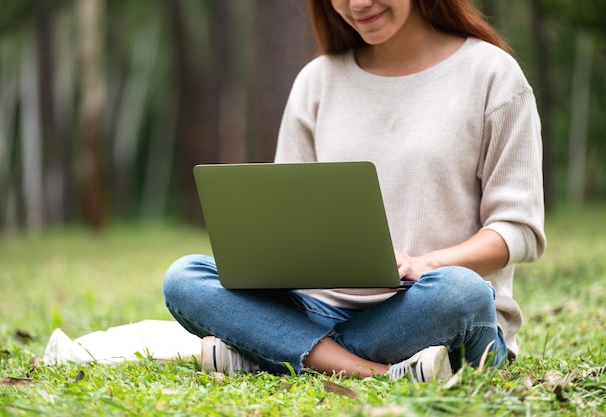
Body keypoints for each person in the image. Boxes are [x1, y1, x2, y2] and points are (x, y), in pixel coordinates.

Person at [163, 0, 546, 382]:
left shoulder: (493, 75)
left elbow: (519, 230)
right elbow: (287, 216)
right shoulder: (318, 81)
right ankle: (376, 372)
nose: (358, 3)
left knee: (462, 291)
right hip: (318, 307)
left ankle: (273, 351)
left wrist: (424, 264)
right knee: (185, 277)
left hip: (427, 307)